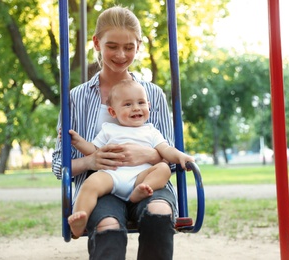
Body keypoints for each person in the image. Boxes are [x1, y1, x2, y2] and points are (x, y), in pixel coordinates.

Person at [52, 6, 179, 259]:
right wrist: (91, 160)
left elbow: (172, 161)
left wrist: (150, 155)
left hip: (147, 181)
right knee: (106, 225)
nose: (121, 55)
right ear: (97, 43)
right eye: (112, 46)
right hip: (104, 186)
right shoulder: (76, 98)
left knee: (159, 210)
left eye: (129, 47)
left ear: (138, 46)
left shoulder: (152, 94)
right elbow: (58, 165)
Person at [66, 79, 194, 238]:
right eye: (127, 105)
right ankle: (79, 219)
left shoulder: (151, 131)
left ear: (149, 105)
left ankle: (143, 190)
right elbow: (93, 150)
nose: (136, 108)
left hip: (140, 178)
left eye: (141, 103)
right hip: (113, 175)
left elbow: (166, 150)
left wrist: (181, 156)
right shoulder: (109, 129)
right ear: (113, 112)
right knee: (91, 183)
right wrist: (78, 142)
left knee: (163, 169)